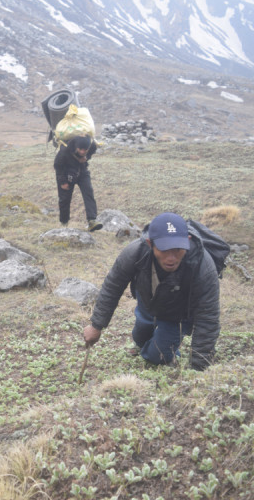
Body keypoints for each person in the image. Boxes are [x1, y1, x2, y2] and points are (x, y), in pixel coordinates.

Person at [82, 212, 220, 371]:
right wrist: (96, 325)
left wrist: (199, 365)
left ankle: (166, 350)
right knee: (139, 336)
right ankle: (147, 343)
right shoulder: (135, 252)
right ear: (150, 243)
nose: (171, 258)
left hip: (178, 314)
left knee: (157, 355)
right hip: (148, 300)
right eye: (164, 249)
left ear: (187, 241)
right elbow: (113, 286)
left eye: (177, 249)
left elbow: (208, 315)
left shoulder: (202, 265)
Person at [53, 135, 102, 231]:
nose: (82, 152)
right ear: (76, 146)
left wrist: (87, 157)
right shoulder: (65, 150)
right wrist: (63, 182)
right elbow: (58, 166)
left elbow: (92, 150)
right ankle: (64, 223)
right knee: (64, 199)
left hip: (82, 171)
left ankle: (92, 220)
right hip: (66, 174)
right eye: (80, 149)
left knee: (89, 192)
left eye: (85, 150)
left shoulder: (91, 145)